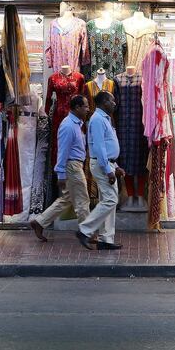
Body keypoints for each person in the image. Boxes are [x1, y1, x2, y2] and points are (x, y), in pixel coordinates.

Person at [29, 95, 90, 241]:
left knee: (67, 198)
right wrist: (61, 173)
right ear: (77, 108)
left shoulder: (76, 124)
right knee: (82, 200)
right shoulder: (69, 125)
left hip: (74, 164)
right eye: (85, 106)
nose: (88, 109)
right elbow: (63, 151)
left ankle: (40, 221)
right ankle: (87, 233)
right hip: (72, 166)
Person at [75, 91, 124, 250]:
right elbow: (99, 147)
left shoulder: (105, 119)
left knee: (108, 200)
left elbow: (108, 146)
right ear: (104, 102)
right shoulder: (97, 120)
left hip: (108, 164)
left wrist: (115, 167)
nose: (114, 103)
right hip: (102, 165)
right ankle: (85, 230)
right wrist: (108, 170)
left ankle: (106, 239)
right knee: (111, 200)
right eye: (112, 100)